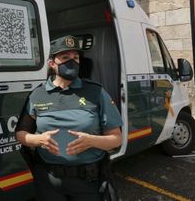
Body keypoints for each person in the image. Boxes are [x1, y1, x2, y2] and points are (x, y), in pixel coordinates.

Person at [15, 35, 122, 201]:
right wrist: (38, 140)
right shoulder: (38, 95)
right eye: (65, 57)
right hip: (49, 181)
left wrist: (92, 141)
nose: (72, 62)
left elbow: (116, 139)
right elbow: (21, 133)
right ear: (52, 63)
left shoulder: (96, 92)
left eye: (76, 58)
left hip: (88, 182)